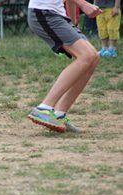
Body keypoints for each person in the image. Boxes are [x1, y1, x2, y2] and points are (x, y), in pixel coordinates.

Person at [27, 0, 102, 133]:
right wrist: (84, 4)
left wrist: (73, 23)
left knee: (93, 58)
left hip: (57, 15)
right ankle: (44, 108)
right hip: (44, 12)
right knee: (86, 56)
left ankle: (59, 115)